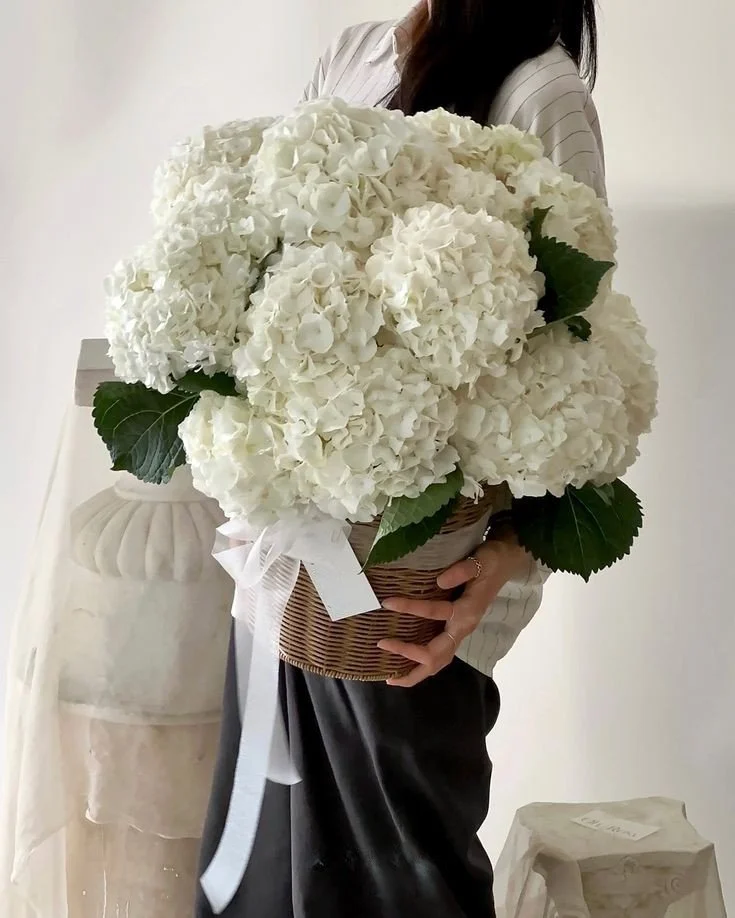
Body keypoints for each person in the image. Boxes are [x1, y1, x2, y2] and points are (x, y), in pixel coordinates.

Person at [196, 2, 605, 916]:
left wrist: (508, 558)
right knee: (267, 879)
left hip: (412, 587)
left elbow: (581, 370)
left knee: (393, 891)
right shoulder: (354, 52)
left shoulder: (539, 94)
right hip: (290, 571)